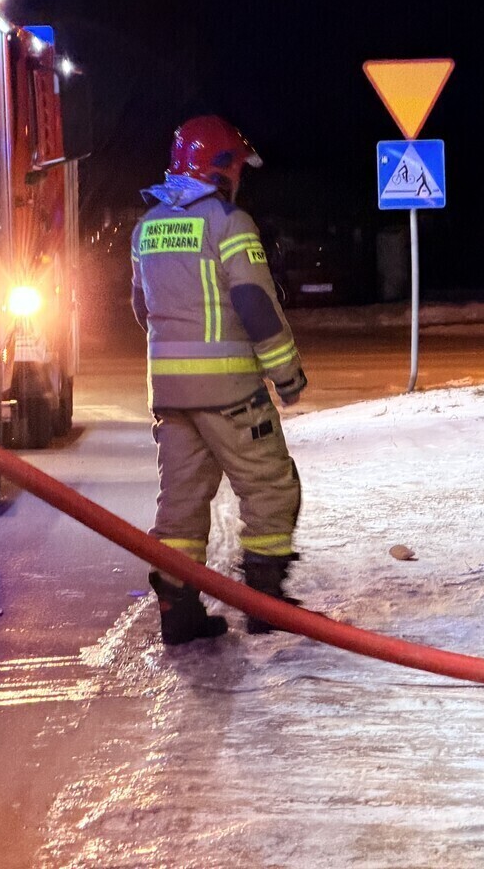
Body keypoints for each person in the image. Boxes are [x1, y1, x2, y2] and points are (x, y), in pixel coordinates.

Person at [131, 115, 309, 644]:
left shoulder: (147, 227)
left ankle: (178, 612)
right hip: (230, 393)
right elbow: (256, 306)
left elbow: (142, 310)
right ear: (221, 169)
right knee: (272, 488)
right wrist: (287, 375)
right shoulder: (229, 223)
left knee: (180, 505)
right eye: (237, 166)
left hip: (169, 395)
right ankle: (265, 602)